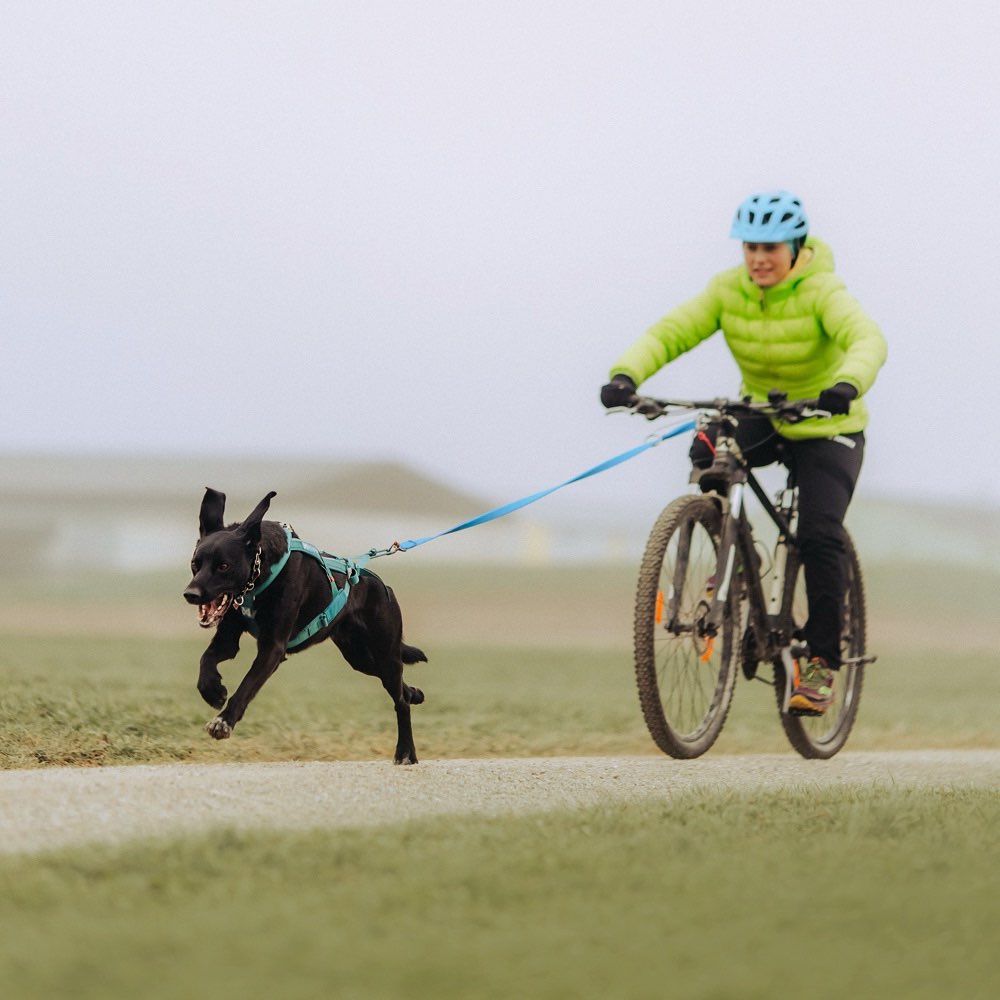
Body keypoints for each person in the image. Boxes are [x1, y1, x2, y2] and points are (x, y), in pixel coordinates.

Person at [600, 190, 887, 715]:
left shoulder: (822, 290)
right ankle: (730, 543)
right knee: (710, 442)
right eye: (751, 246)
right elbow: (671, 332)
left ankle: (821, 662)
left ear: (796, 247)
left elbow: (866, 338)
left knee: (819, 535)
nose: (758, 257)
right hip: (767, 411)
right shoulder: (728, 290)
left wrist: (847, 383)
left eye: (771, 247)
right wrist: (626, 375)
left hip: (829, 421)